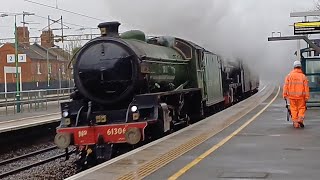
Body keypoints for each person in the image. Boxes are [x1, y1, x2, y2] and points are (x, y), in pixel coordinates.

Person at [283, 60, 310, 128]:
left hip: (292, 97)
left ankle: (295, 123)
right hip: (301, 97)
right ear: (300, 67)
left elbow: (285, 86)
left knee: (293, 109)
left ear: (294, 67)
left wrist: (284, 95)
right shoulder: (303, 76)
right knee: (301, 108)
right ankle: (300, 119)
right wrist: (307, 97)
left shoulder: (289, 76)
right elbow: (306, 88)